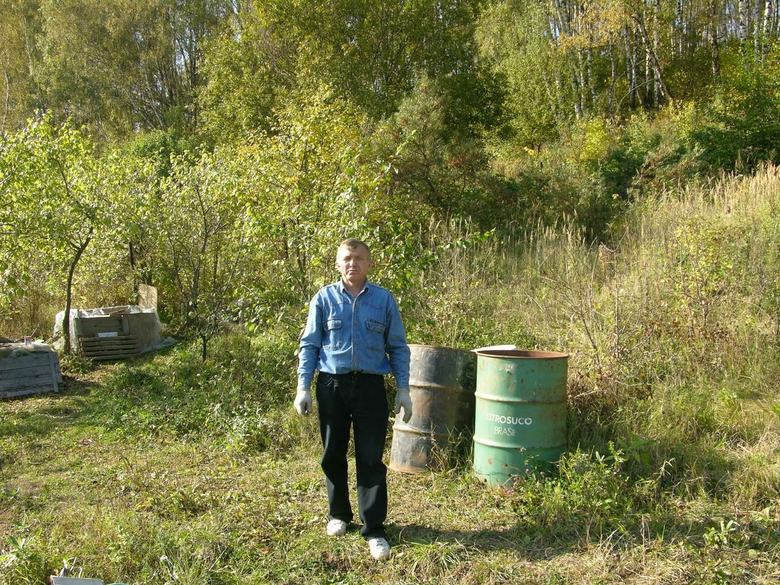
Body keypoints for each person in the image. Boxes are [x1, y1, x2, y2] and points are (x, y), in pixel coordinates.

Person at [294, 238, 412, 561]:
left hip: (371, 387)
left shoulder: (384, 300)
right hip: (332, 385)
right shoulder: (323, 299)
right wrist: (303, 387)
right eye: (346, 258)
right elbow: (309, 345)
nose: (352, 263)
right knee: (333, 452)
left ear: (369, 264)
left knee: (371, 457)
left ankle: (374, 529)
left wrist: (404, 389)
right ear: (337, 264)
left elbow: (398, 347)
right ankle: (338, 514)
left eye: (359, 258)